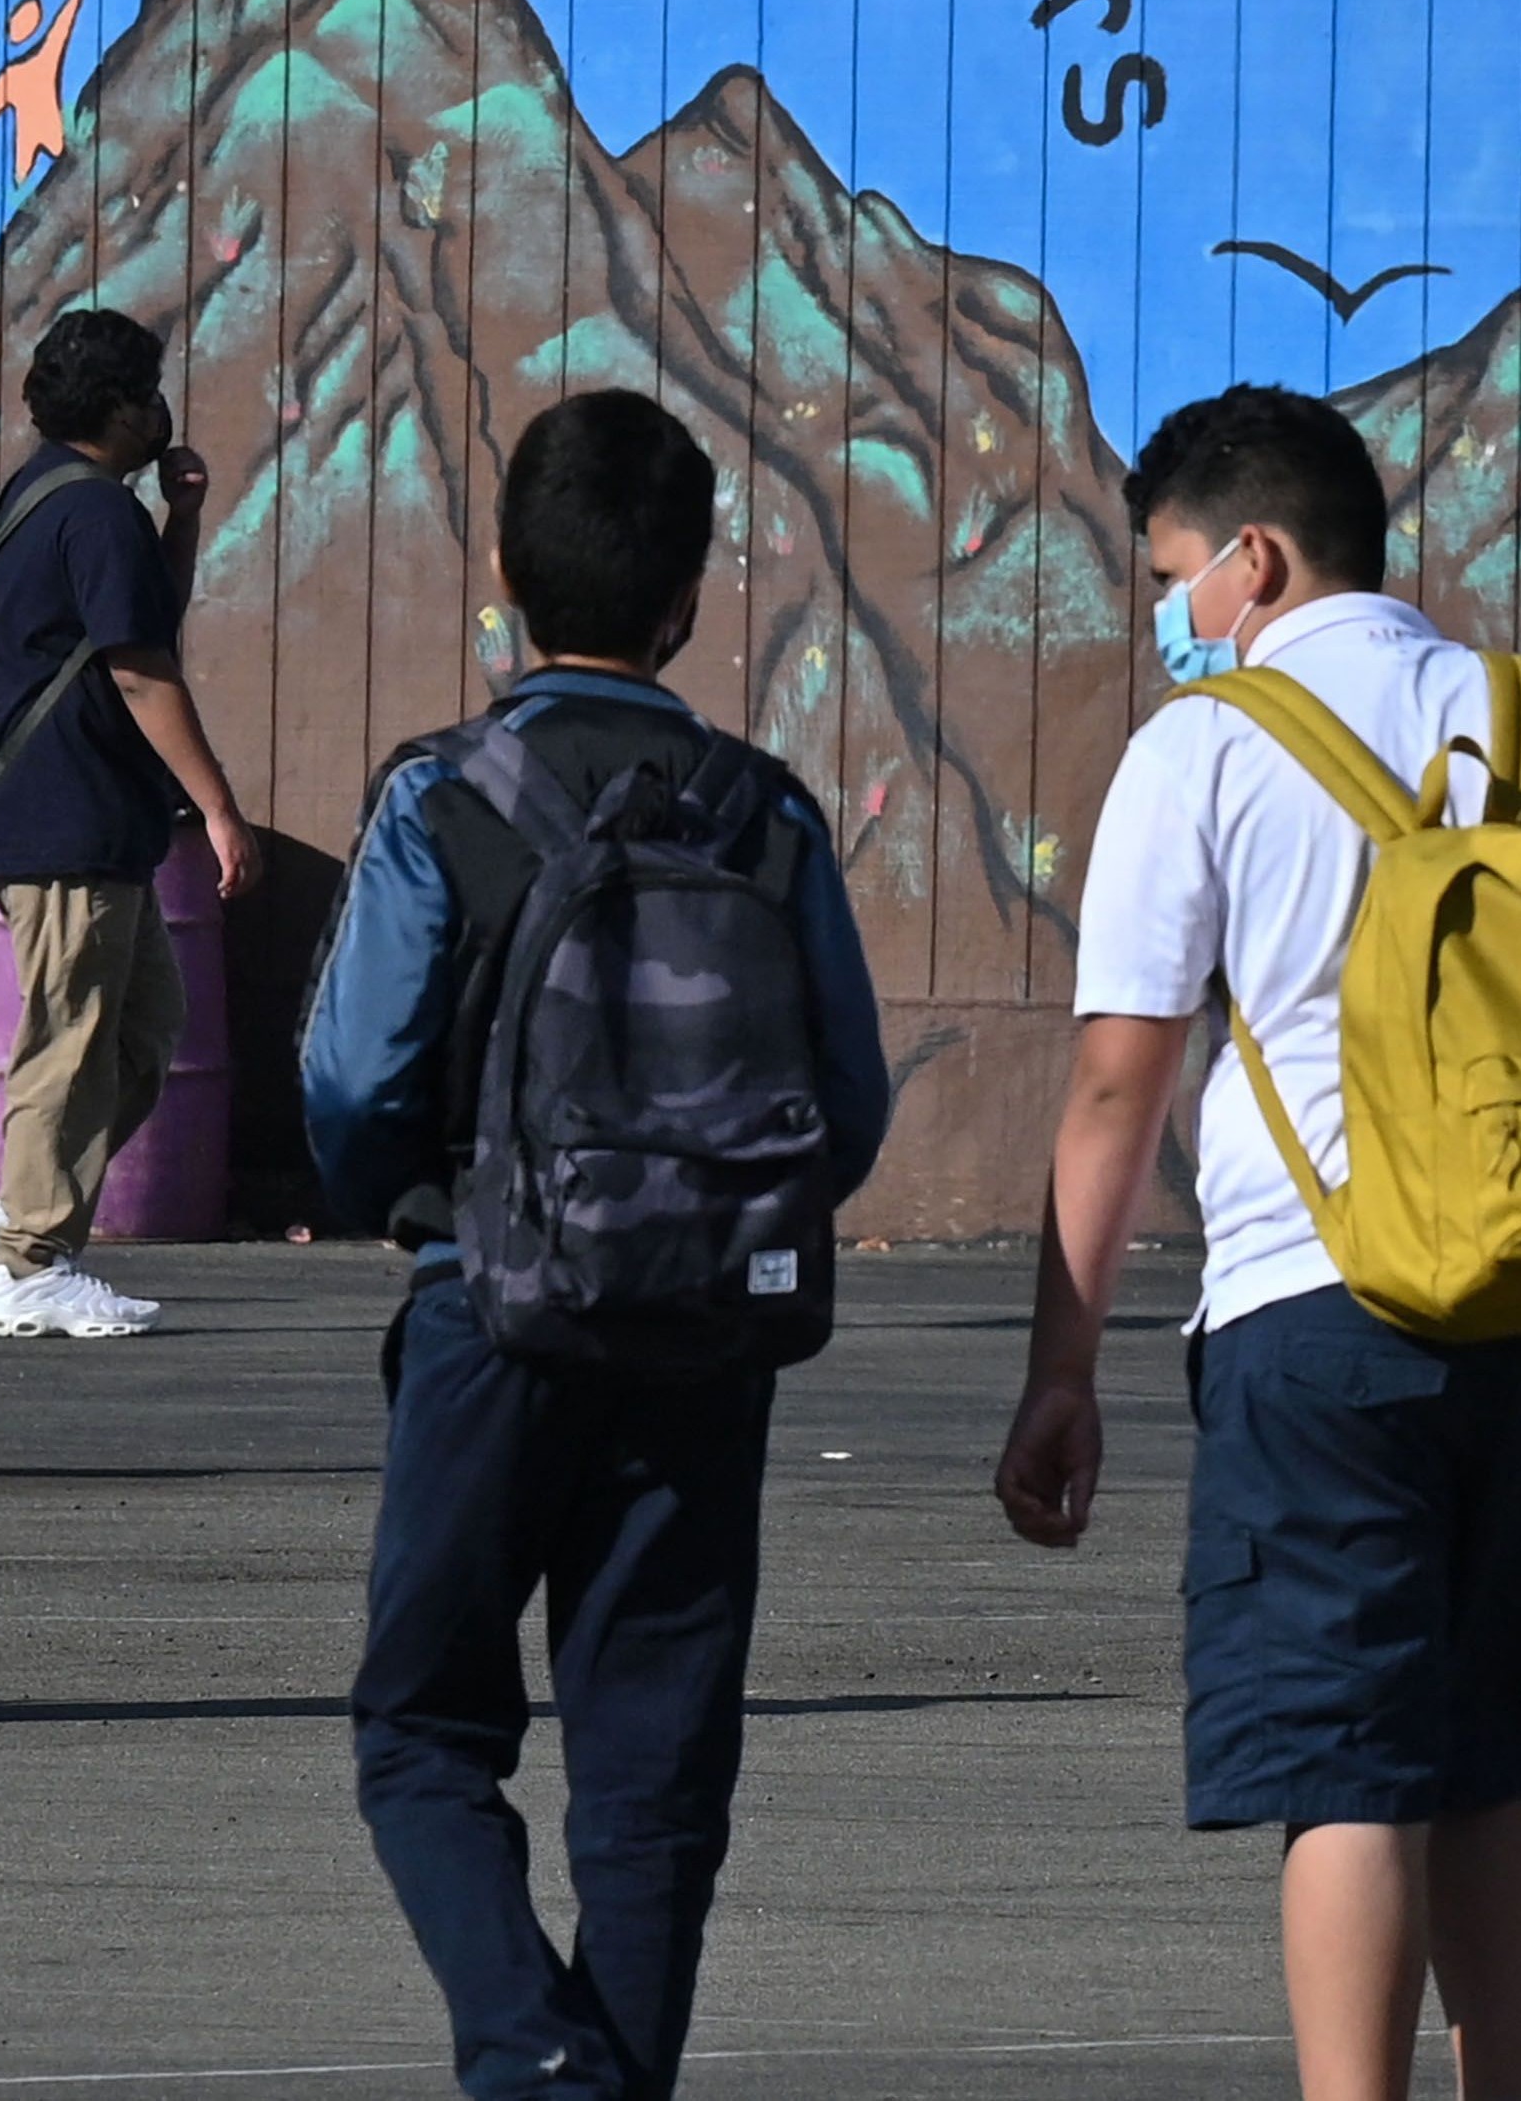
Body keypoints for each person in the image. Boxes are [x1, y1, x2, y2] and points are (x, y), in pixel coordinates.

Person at [992, 383, 1521, 2101]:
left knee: (1349, 1768)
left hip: (1315, 1319)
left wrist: (1062, 1369)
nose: (1175, 616)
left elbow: (1120, 1086)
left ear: (1252, 559)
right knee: (1497, 1754)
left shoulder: (1201, 747)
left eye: (1177, 576)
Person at [303, 390, 890, 2099]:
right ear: (690, 597)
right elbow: (840, 1100)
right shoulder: (763, 813)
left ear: (502, 576)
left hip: (485, 1314)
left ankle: (530, 2059)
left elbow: (353, 1081)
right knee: (655, 1777)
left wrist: (419, 1203)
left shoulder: (444, 797)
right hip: (705, 1339)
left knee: (424, 1731)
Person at [0, 307, 259, 1339]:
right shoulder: (86, 509)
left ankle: (17, 1211)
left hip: (83, 821)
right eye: (151, 391)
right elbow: (140, 667)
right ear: (120, 405)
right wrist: (217, 807)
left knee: (138, 1036)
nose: (164, 408)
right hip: (67, 816)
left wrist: (185, 515)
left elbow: (136, 619)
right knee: (71, 1039)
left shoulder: (65, 501)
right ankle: (31, 1262)